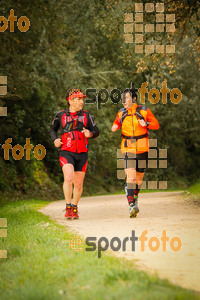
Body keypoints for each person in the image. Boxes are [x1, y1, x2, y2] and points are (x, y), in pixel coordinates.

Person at [50, 88, 99, 220]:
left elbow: (96, 130)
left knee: (78, 184)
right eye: (78, 99)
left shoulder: (87, 116)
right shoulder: (60, 115)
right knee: (68, 178)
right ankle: (68, 207)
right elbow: (52, 129)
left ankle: (75, 207)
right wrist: (55, 140)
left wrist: (90, 134)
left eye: (82, 99)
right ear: (70, 101)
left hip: (82, 153)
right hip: (66, 151)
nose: (81, 102)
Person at [111, 88, 159, 218]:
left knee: (138, 179)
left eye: (126, 98)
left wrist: (146, 123)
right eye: (122, 98)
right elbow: (116, 121)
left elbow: (156, 124)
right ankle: (131, 205)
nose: (123, 101)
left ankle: (135, 196)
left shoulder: (144, 110)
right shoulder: (121, 112)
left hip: (143, 147)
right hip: (127, 148)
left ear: (133, 99)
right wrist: (115, 126)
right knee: (130, 177)